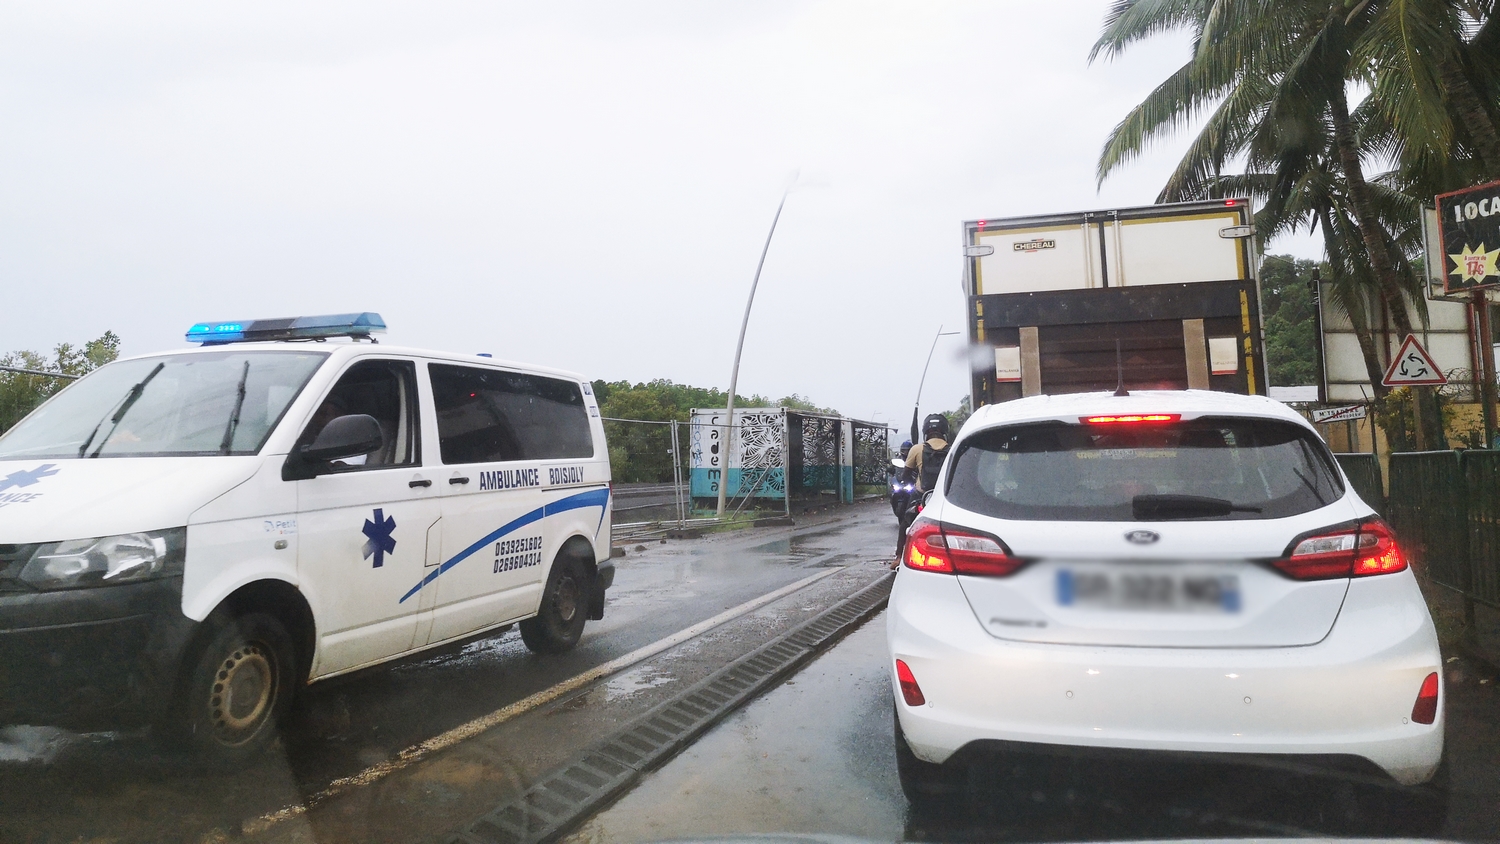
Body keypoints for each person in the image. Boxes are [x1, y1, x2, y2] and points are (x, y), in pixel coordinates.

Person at [905, 413, 951, 493]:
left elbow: (905, 476)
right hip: (947, 496)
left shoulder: (916, 449)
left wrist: (914, 483)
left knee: (908, 504)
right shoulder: (953, 449)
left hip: (922, 495)